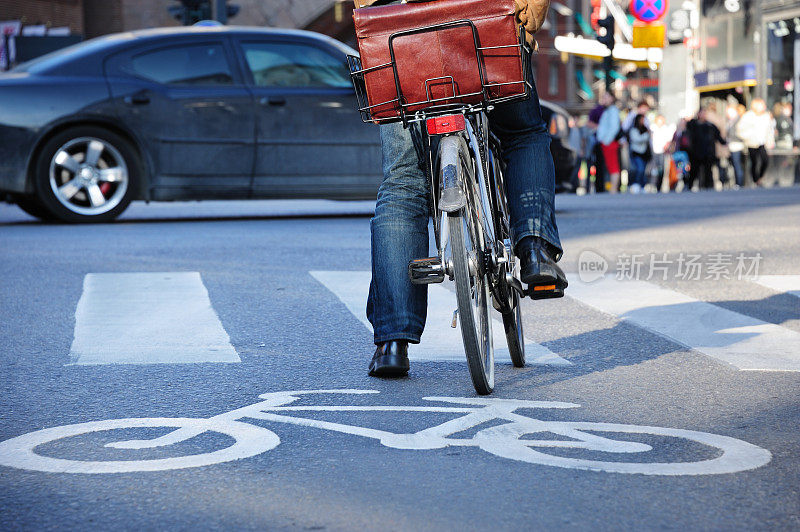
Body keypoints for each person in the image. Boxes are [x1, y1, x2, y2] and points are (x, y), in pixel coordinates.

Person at [363, 0, 567, 377]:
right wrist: (530, 13)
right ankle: (535, 249)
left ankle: (393, 342)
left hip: (400, 33)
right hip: (487, 22)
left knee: (404, 182)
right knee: (523, 134)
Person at [737, 99, 774, 186]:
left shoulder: (766, 116)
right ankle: (755, 179)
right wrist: (748, 136)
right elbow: (740, 129)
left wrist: (770, 141)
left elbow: (769, 130)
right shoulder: (748, 116)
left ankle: (759, 177)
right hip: (752, 142)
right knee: (754, 162)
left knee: (765, 160)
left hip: (762, 142)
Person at [686, 107, 725, 190]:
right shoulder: (693, 124)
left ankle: (708, 186)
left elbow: (718, 137)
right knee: (694, 170)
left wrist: (724, 143)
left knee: (708, 170)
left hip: (708, 152)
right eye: (702, 113)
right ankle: (690, 185)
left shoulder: (710, 125)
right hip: (696, 152)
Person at [596, 92, 621, 193]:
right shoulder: (608, 111)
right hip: (606, 142)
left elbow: (614, 127)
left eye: (606, 97)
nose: (604, 99)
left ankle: (613, 189)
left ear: (612, 98)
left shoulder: (613, 110)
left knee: (613, 166)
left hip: (609, 142)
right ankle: (612, 188)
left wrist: (606, 140)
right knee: (611, 166)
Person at [627, 114, 651, 193]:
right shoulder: (633, 130)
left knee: (643, 170)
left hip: (644, 154)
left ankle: (642, 185)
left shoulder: (645, 129)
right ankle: (636, 184)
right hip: (636, 153)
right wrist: (646, 135)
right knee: (639, 169)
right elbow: (637, 139)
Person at [650, 115, 675, 192]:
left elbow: (669, 140)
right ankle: (652, 184)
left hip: (662, 152)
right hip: (653, 152)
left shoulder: (666, 129)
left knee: (661, 169)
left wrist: (666, 147)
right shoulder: (652, 128)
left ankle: (659, 186)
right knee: (653, 170)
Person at [725, 104, 746, 188]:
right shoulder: (731, 121)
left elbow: (739, 133)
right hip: (732, 145)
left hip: (737, 145)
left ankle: (739, 183)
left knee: (737, 164)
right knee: (735, 164)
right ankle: (738, 182)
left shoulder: (739, 120)